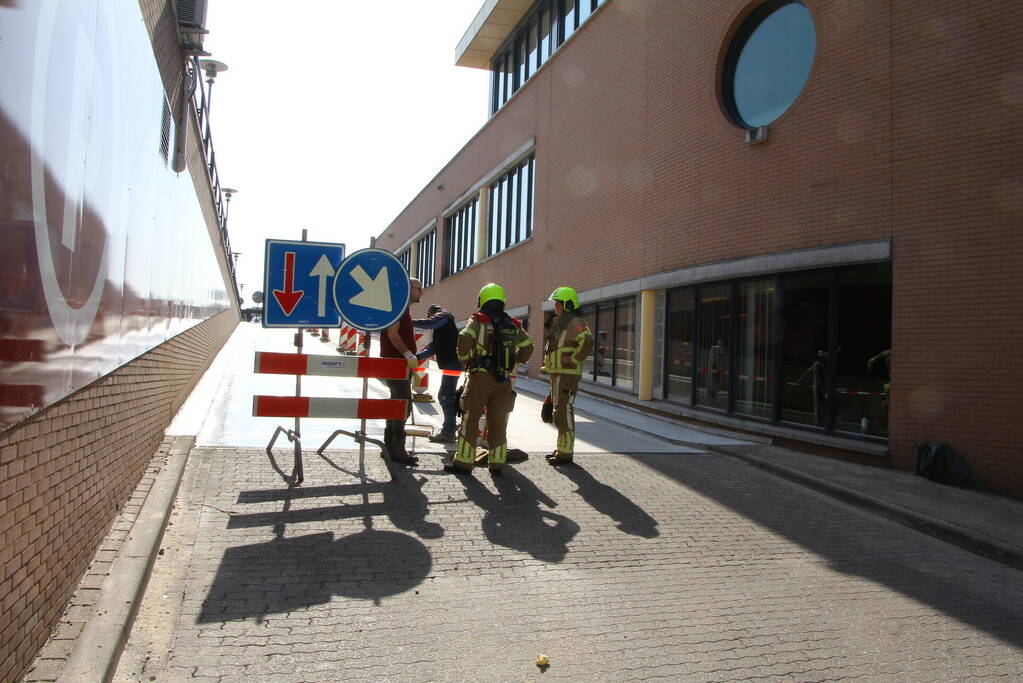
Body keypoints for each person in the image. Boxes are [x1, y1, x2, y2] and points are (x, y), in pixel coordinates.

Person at [447, 283, 533, 475]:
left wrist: (465, 360)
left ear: (482, 300)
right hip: (504, 379)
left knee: (470, 419)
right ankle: (497, 464)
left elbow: (464, 340)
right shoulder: (514, 324)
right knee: (498, 421)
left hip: (480, 378)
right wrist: (513, 360)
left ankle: (463, 463)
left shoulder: (478, 320)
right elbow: (528, 347)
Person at [542, 286, 593, 465]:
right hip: (557, 375)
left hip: (567, 374)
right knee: (558, 412)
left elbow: (587, 341)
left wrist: (573, 358)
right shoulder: (560, 323)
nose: (555, 306)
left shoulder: (575, 323)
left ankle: (565, 453)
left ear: (567, 304)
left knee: (564, 411)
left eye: (558, 303)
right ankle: (561, 448)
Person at [379, 277, 423, 466]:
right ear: (408, 289)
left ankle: (389, 447)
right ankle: (397, 450)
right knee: (403, 405)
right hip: (395, 364)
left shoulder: (401, 308)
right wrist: (407, 354)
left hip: (398, 365)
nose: (421, 292)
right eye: (418, 288)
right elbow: (392, 333)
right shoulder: (398, 307)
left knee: (396, 403)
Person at [412, 304, 461, 442]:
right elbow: (434, 347)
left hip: (452, 364)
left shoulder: (443, 316)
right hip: (451, 364)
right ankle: (450, 426)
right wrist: (417, 357)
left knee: (446, 396)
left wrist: (409, 321)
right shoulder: (443, 328)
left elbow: (430, 323)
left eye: (430, 315)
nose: (430, 318)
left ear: (431, 313)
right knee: (446, 395)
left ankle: (449, 431)